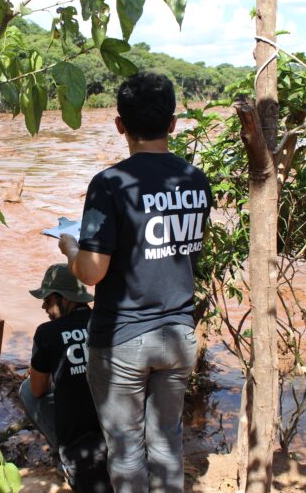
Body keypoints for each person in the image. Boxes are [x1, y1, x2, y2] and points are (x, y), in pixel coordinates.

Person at [58, 72, 212, 493]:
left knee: (126, 451)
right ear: (173, 123)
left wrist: (70, 247)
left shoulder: (109, 184)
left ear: (119, 124)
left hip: (123, 337)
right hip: (179, 333)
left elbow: (92, 271)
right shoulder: (196, 180)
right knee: (167, 442)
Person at [19, 264, 112, 493]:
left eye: (48, 300)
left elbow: (38, 390)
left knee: (26, 389)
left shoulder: (46, 333)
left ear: (64, 299)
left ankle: (63, 454)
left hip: (77, 444)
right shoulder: (107, 322)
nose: (44, 306)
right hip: (115, 429)